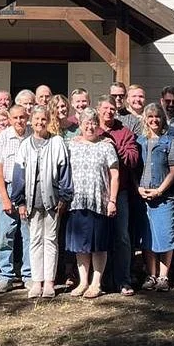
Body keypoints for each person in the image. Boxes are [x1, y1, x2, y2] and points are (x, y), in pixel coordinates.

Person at [12, 105, 74, 299]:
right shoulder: (25, 145)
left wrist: (65, 197)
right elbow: (18, 176)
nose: (40, 123)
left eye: (43, 120)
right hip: (31, 202)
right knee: (34, 240)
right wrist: (19, 201)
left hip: (52, 201)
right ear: (32, 121)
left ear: (48, 121)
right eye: (36, 120)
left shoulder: (57, 143)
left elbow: (65, 172)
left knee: (51, 241)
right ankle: (36, 282)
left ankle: (49, 282)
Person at [66, 108, 119, 299]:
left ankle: (96, 283)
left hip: (99, 201)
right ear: (80, 125)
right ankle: (83, 282)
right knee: (81, 245)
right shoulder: (71, 144)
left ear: (98, 126)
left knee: (99, 244)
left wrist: (112, 200)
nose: (90, 126)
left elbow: (115, 175)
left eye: (93, 123)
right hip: (77, 201)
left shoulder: (106, 146)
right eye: (86, 123)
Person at [95, 97, 139, 295]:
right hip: (95, 193)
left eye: (112, 108)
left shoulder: (124, 133)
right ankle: (98, 280)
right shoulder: (90, 129)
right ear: (98, 110)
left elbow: (132, 160)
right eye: (105, 108)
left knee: (122, 237)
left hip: (119, 193)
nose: (109, 112)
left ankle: (123, 280)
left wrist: (114, 144)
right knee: (98, 236)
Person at [134, 102, 174, 291]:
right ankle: (151, 275)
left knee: (166, 235)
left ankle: (163, 277)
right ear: (145, 119)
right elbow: (134, 170)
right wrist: (138, 188)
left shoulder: (169, 140)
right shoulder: (139, 142)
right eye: (150, 117)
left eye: (157, 117)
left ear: (162, 119)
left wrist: (160, 190)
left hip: (164, 197)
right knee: (148, 237)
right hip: (143, 197)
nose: (154, 120)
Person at [0, 103, 32, 292]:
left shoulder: (33, 136)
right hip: (8, 188)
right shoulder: (2, 138)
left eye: (22, 117)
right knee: (5, 235)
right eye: (15, 118)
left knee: (28, 234)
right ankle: (6, 275)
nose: (19, 121)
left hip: (29, 190)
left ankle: (28, 274)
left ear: (27, 117)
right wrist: (5, 198)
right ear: (9, 119)